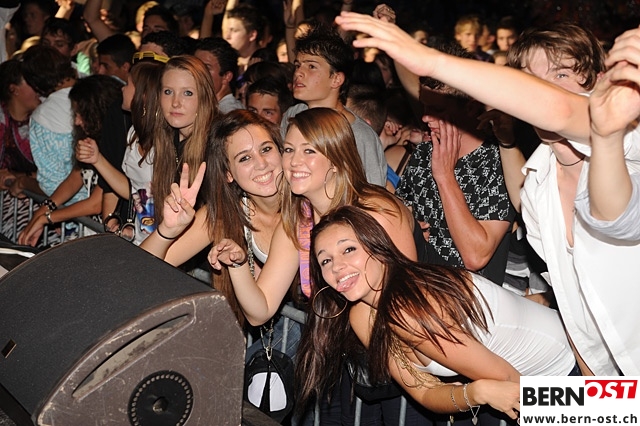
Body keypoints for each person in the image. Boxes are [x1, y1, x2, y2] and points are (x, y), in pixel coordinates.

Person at [333, 13, 640, 375]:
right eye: (530, 81)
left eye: (560, 75)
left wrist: (427, 59)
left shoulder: (628, 147)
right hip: (606, 376)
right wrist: (595, 394)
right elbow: (575, 305)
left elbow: (613, 216)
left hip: (597, 355)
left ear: (599, 82)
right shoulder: (537, 184)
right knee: (529, 401)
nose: (543, 91)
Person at [302, 205, 575, 421]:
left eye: (348, 249)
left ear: (378, 247)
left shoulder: (409, 309)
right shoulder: (362, 315)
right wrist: (475, 392)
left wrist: (478, 391)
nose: (337, 266)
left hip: (569, 369)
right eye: (326, 260)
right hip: (531, 381)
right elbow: (424, 392)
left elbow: (510, 384)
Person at [18, 74, 123, 246]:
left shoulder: (117, 146)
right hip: (94, 233)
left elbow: (96, 203)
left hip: (110, 238)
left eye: (81, 114)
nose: (77, 121)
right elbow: (76, 177)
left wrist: (47, 218)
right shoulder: (94, 139)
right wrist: (44, 209)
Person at [282, 24, 387, 187]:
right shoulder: (293, 115)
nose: (298, 73)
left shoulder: (359, 135)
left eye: (311, 66)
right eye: (297, 65)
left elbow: (374, 193)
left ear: (336, 79)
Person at [76, 60, 165, 245]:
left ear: (143, 94)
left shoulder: (165, 140)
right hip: (139, 237)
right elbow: (134, 190)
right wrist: (96, 159)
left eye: (128, 84)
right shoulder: (134, 133)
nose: (122, 89)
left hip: (162, 240)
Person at [0, 58, 41, 241]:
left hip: (36, 204)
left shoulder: (45, 121)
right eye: (32, 82)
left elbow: (56, 173)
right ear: (13, 89)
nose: (39, 88)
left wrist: (22, 178)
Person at [194, 37, 244, 113]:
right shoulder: (210, 108)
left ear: (227, 76)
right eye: (194, 66)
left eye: (206, 68)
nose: (197, 72)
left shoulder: (229, 114)